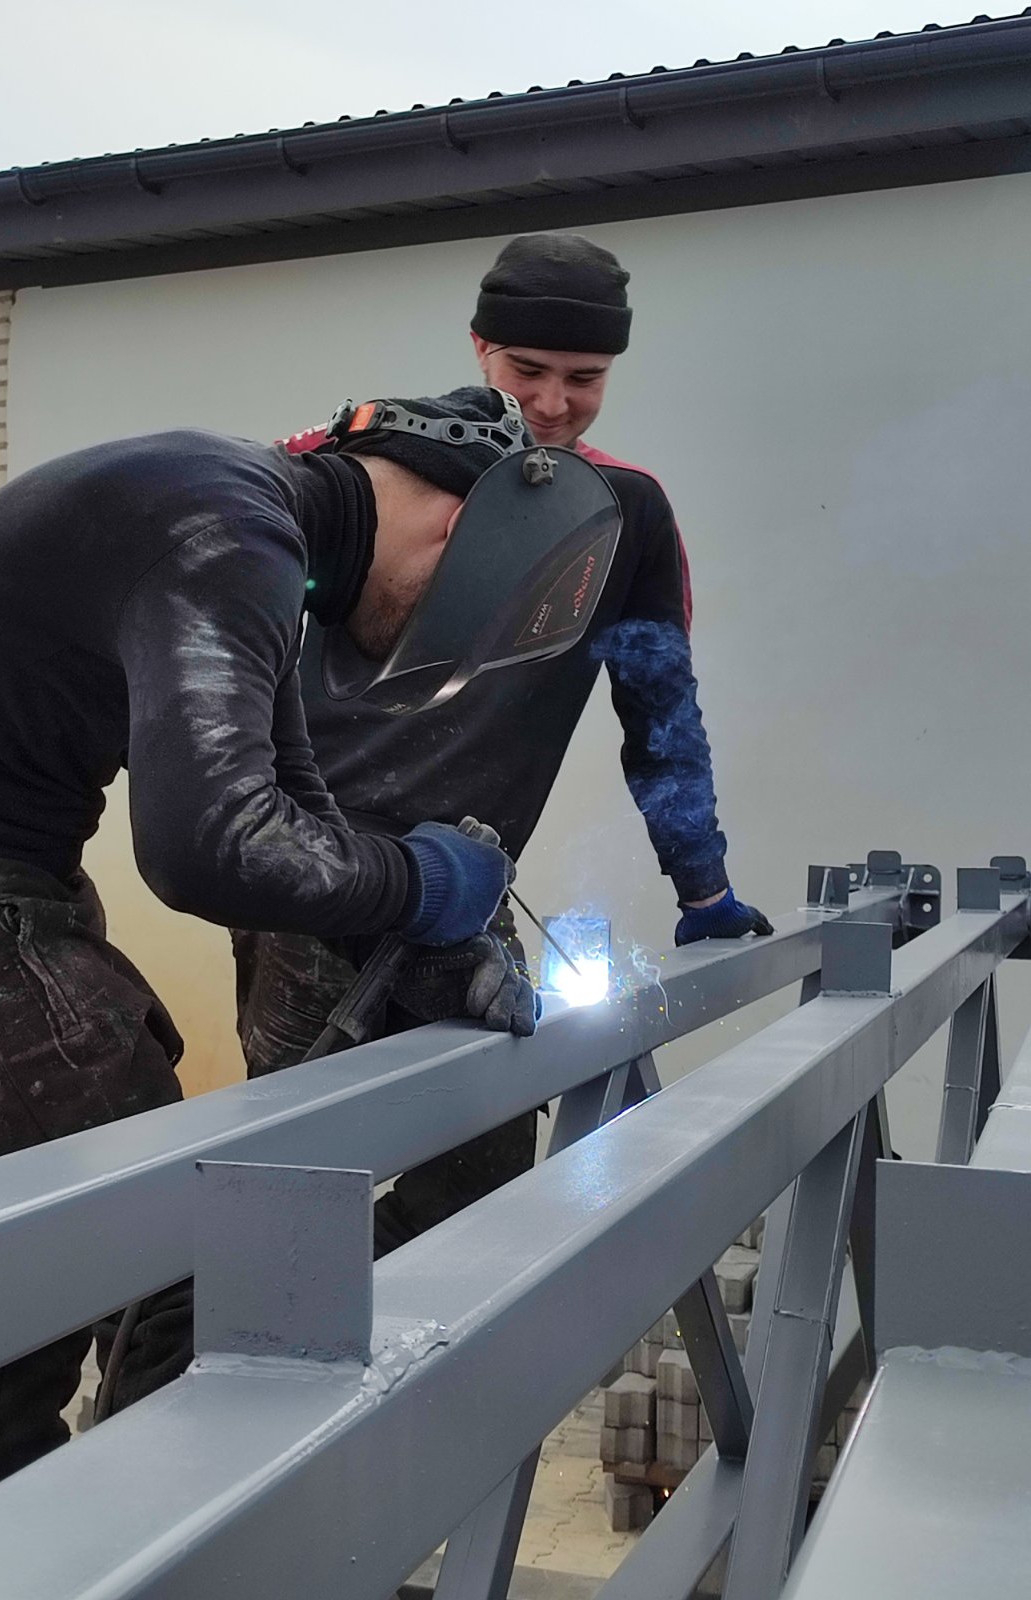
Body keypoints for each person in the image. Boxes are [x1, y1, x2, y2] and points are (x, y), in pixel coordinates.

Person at [0, 388, 581, 1508]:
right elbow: (212, 845)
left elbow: (292, 794)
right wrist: (426, 880)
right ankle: (173, 1551)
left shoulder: (246, 525)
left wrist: (422, 930)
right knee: (187, 1245)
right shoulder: (232, 533)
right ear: (454, 525)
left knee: (10, 1287)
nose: (431, 634)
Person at [235, 232, 772, 1256]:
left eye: (585, 378)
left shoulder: (625, 513)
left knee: (481, 1188)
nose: (555, 402)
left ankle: (406, 1345)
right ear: (481, 347)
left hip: (464, 884)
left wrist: (702, 883)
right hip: (312, 871)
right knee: (293, 1178)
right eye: (529, 369)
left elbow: (660, 707)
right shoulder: (361, 467)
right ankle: (236, 1342)